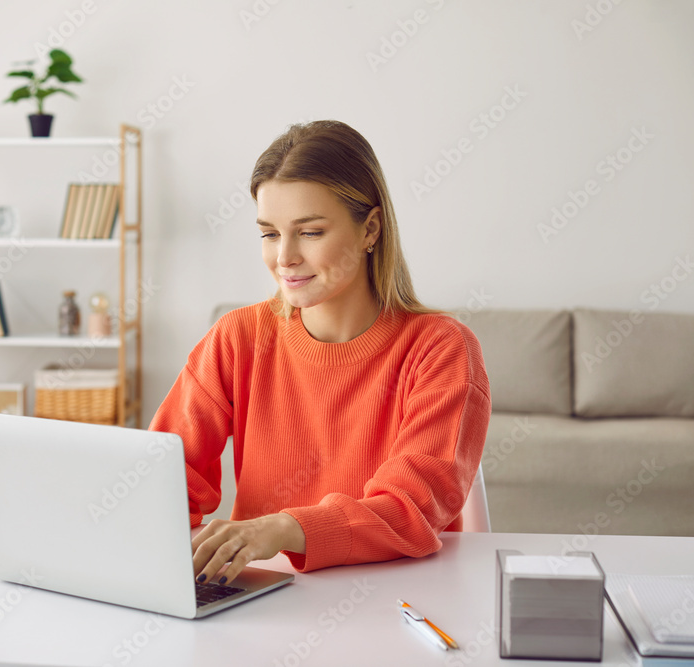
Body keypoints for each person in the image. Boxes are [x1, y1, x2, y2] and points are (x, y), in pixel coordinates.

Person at [148, 120, 491, 586]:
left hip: (395, 598)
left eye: (309, 232)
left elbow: (411, 508)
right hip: (262, 596)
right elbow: (164, 473)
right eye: (269, 234)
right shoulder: (237, 337)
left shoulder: (441, 350)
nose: (284, 257)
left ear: (370, 229)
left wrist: (286, 528)